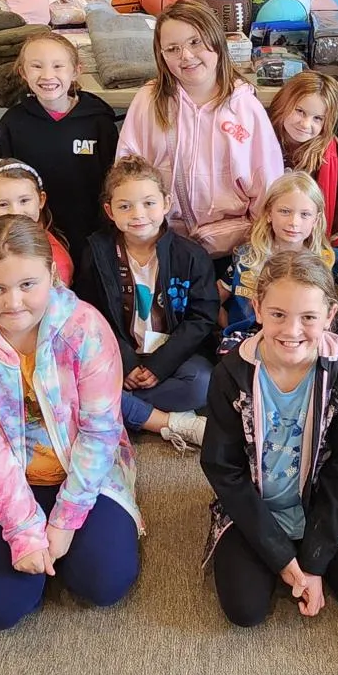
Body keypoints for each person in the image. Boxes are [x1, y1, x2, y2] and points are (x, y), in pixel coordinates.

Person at [0, 216, 142, 630]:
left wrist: (65, 522)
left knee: (104, 584)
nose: (13, 302)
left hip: (85, 476)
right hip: (9, 482)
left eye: (28, 284)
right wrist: (23, 531)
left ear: (52, 274)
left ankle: (68, 544)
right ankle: (38, 551)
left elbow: (100, 432)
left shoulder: (85, 329)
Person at [199, 251, 338, 628]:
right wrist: (281, 557)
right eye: (278, 314)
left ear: (330, 315)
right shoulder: (230, 374)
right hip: (255, 499)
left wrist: (314, 561)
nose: (291, 331)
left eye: (308, 317)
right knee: (245, 611)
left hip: (323, 498)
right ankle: (277, 549)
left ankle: (307, 549)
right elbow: (222, 468)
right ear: (257, 308)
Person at [74, 155, 221, 453]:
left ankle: (112, 409)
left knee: (203, 383)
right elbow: (88, 315)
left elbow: (202, 318)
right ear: (109, 211)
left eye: (149, 203)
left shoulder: (191, 256)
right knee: (75, 379)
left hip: (173, 359)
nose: (138, 214)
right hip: (115, 355)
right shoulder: (96, 252)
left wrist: (160, 364)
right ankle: (168, 421)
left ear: (166, 204)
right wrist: (126, 363)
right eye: (125, 206)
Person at [119, 0, 281, 258]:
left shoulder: (246, 109)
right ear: (161, 56)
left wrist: (250, 258)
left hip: (232, 248)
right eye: (172, 49)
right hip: (162, 243)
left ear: (216, 40)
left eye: (195, 42)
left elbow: (268, 188)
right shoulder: (148, 101)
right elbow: (126, 174)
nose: (186, 56)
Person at [0, 28, 117, 251]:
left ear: (76, 71)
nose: (47, 76)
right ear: (23, 72)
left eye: (58, 66)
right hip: (34, 236)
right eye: (37, 66)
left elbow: (112, 181)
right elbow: (5, 185)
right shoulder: (12, 124)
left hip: (92, 234)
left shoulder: (98, 121)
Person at [0, 160, 75, 318]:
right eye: (3, 204)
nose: (15, 211)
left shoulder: (57, 257)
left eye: (24, 201)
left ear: (41, 200)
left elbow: (53, 313)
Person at [223, 169, 331, 339]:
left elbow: (330, 315)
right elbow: (212, 301)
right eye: (285, 211)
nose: (294, 222)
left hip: (298, 342)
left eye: (305, 214)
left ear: (315, 221)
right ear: (268, 213)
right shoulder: (245, 258)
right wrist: (228, 329)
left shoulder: (326, 262)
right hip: (248, 339)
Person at [267, 71, 338, 250]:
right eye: (300, 111)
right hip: (273, 231)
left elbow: (326, 204)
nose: (305, 124)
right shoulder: (264, 138)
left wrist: (317, 246)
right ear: (284, 104)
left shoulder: (325, 153)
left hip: (317, 234)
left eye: (317, 118)